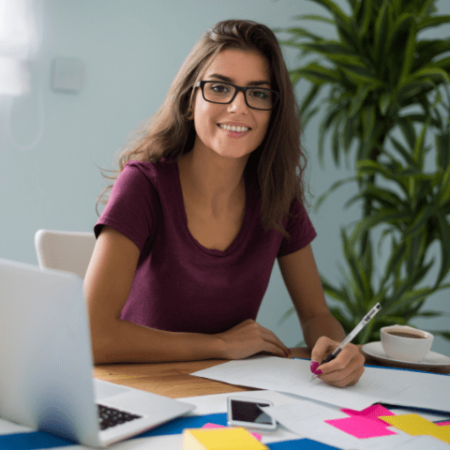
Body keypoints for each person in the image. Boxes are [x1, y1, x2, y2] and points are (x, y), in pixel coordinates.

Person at [84, 19, 365, 387]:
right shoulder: (144, 186)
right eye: (219, 88)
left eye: (259, 94)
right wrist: (219, 345)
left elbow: (315, 315)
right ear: (189, 101)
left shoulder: (279, 197)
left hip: (226, 393)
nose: (237, 107)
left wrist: (337, 348)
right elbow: (91, 335)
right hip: (139, 390)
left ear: (273, 113)